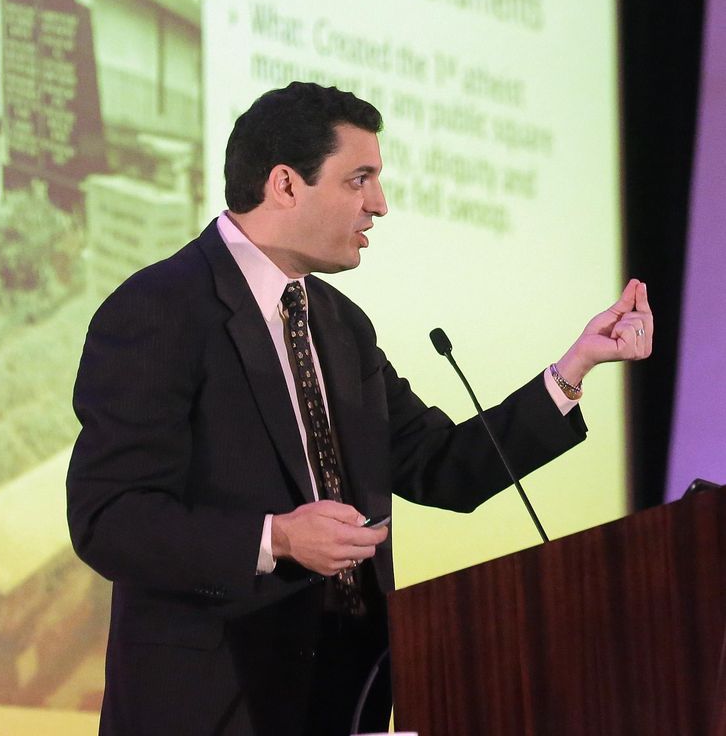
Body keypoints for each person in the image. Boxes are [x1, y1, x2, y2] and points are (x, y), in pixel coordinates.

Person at [66, 82, 652, 736]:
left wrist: (573, 371)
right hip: (212, 705)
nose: (380, 205)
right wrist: (277, 537)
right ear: (285, 185)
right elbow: (109, 518)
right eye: (359, 180)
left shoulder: (343, 327)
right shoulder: (161, 308)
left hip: (348, 700)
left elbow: (442, 467)